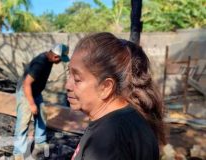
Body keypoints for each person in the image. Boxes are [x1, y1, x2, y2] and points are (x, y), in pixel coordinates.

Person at [65, 32, 166, 160]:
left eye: (77, 79)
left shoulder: (107, 140)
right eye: (69, 74)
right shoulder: (129, 120)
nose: (67, 85)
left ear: (106, 87)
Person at [13, 44, 69, 159]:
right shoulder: (40, 63)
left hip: (36, 92)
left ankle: (40, 142)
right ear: (55, 56)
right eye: (60, 60)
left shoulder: (49, 59)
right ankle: (18, 153)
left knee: (42, 115)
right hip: (26, 92)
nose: (59, 62)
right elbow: (26, 84)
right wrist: (32, 104)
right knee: (24, 122)